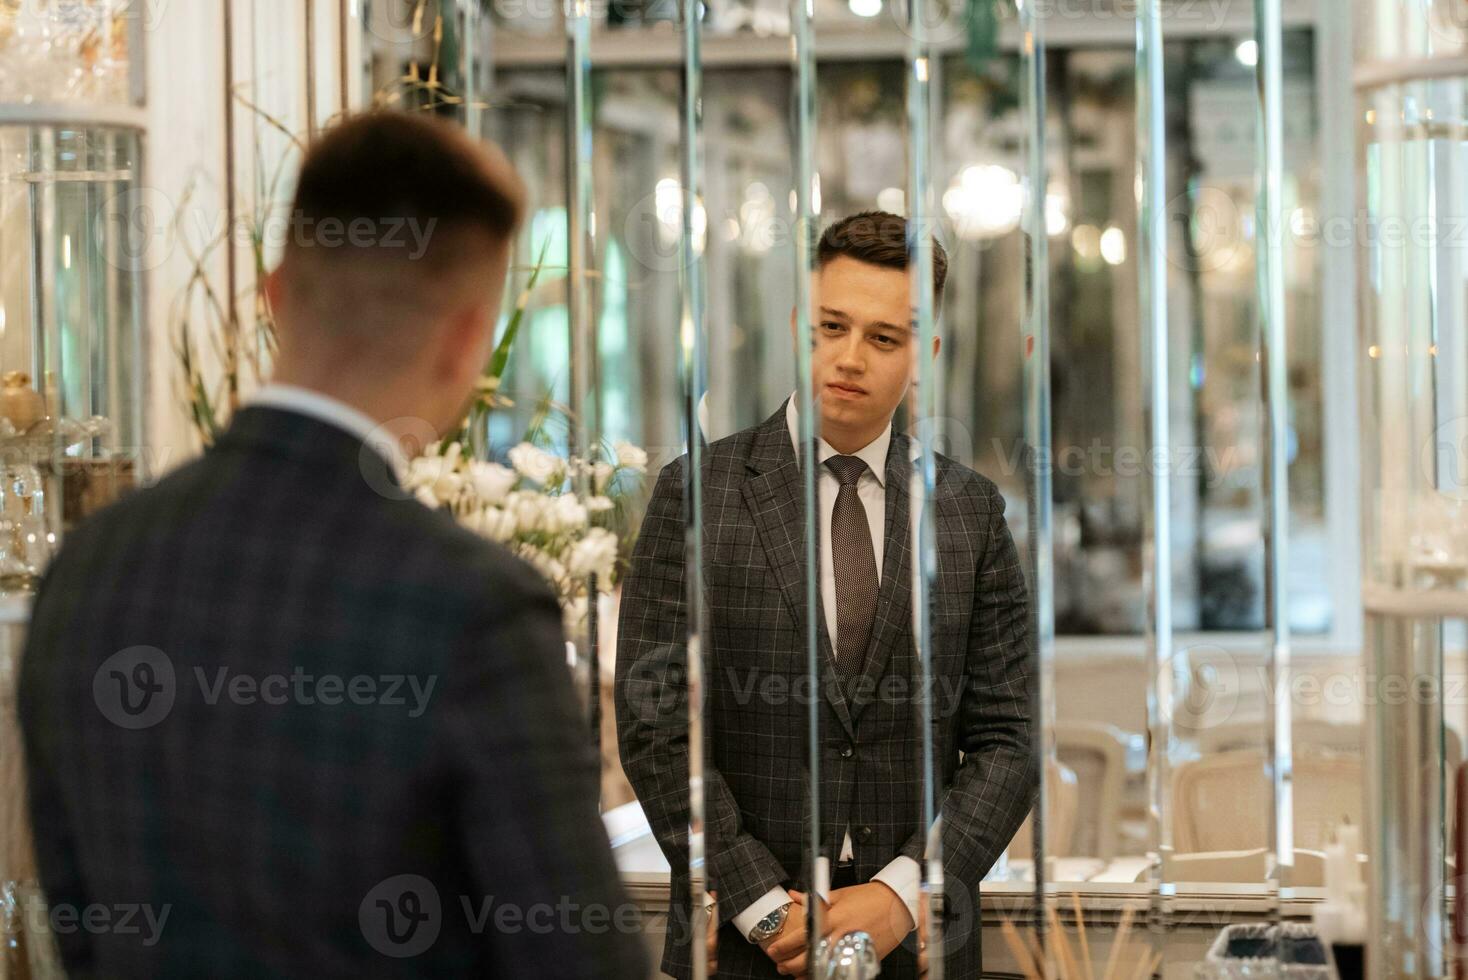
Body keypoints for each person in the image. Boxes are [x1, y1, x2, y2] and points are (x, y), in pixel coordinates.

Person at [19, 111, 649, 979]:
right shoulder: (475, 608)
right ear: (469, 341)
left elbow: (75, 927)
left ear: (275, 295)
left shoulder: (88, 570)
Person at [616, 210, 1035, 979]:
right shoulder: (696, 494)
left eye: (884, 338)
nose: (849, 357)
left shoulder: (969, 510)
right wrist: (762, 907)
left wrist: (903, 893)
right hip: (736, 945)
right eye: (831, 326)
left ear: (926, 354)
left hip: (921, 948)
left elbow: (1010, 740)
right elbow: (655, 723)